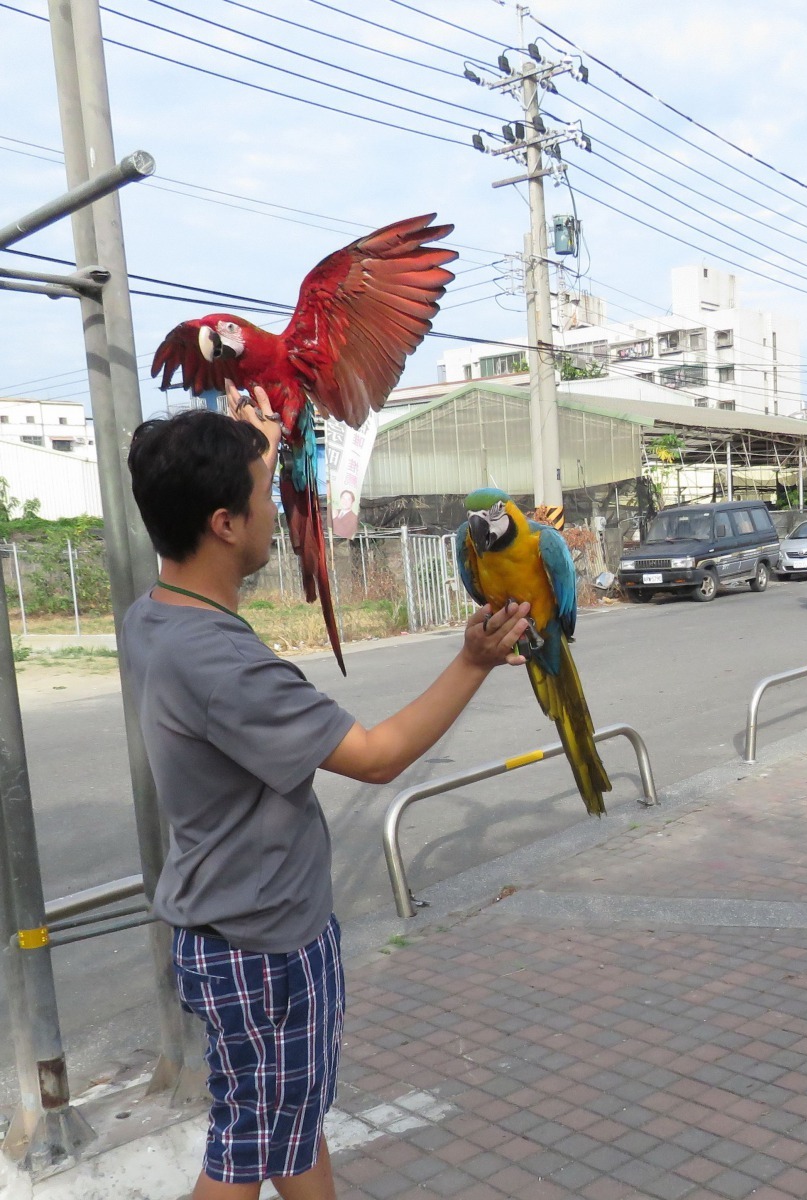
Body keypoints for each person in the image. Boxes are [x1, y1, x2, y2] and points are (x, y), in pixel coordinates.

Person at [121, 383, 531, 1200]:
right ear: (223, 524)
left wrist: (260, 442)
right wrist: (473, 663)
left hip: (233, 926)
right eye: (267, 498)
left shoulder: (152, 617)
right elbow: (376, 757)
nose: (280, 513)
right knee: (244, 1151)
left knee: (287, 1124)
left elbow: (226, 487)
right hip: (264, 948)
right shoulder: (226, 665)